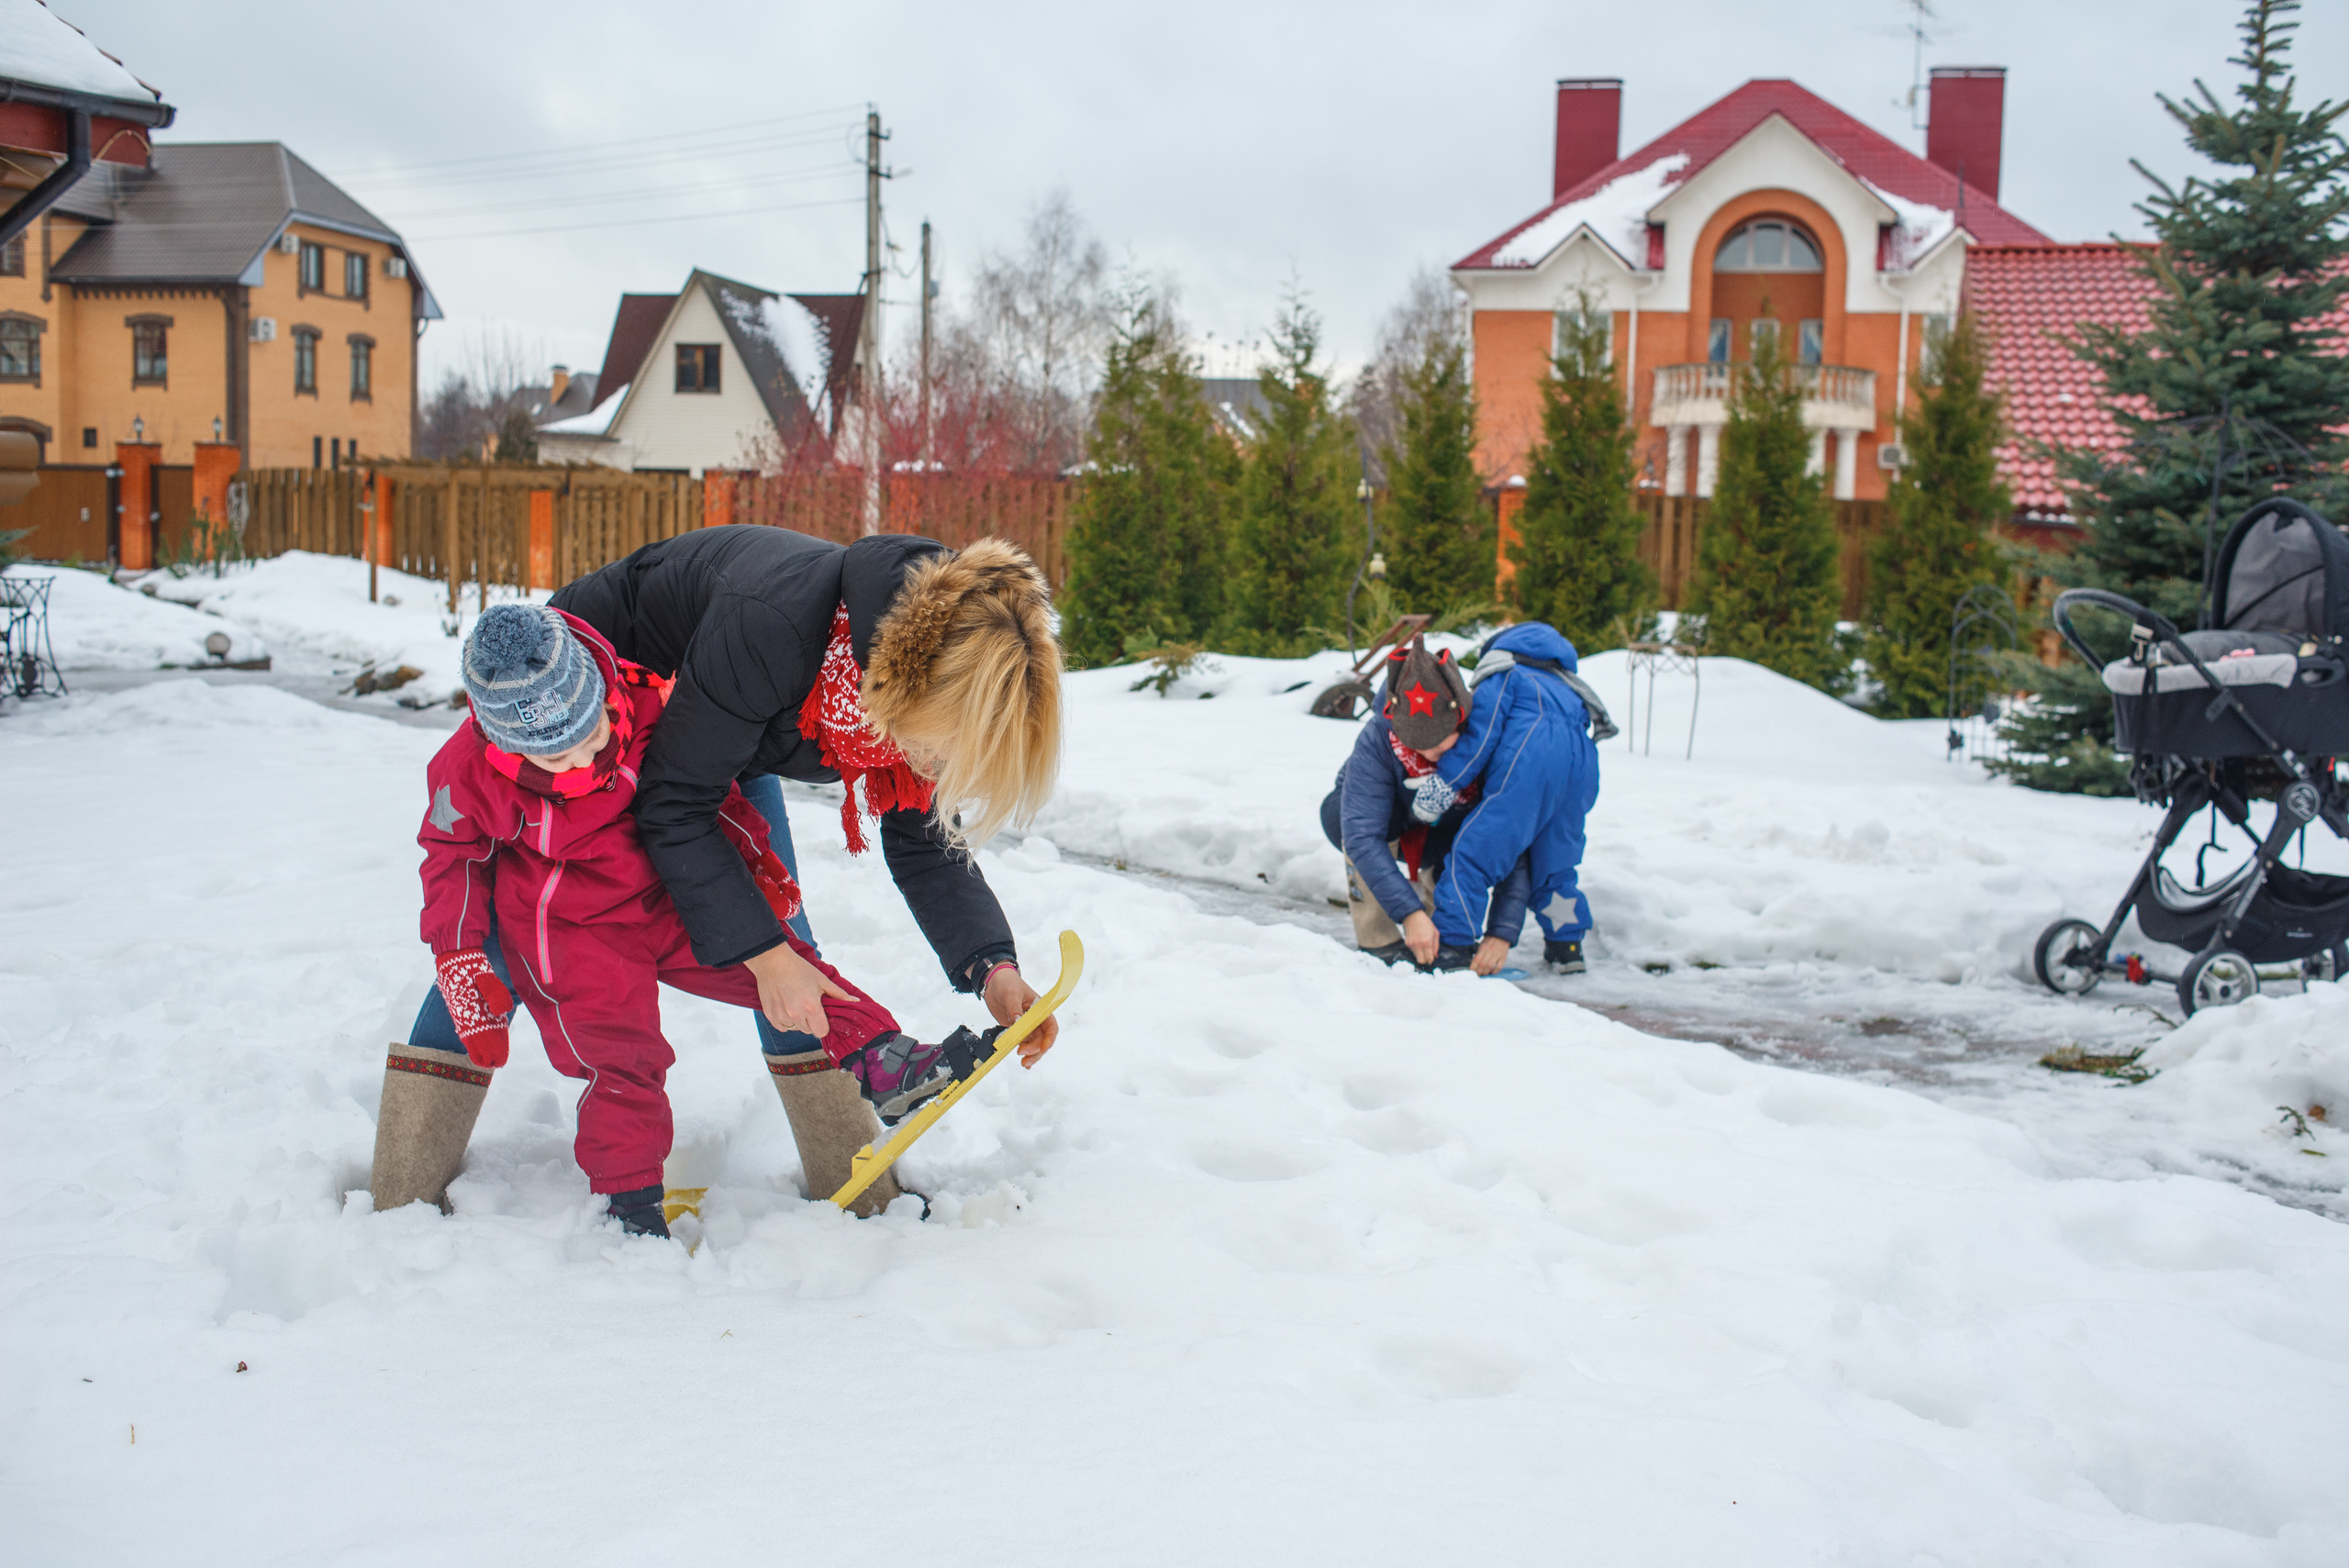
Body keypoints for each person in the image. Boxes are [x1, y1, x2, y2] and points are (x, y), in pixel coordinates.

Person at [371, 528, 1062, 1219]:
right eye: (942, 753)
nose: (941, 770)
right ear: (911, 699)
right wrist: (760, 954)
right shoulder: (776, 628)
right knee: (512, 934)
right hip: (582, 717)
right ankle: (405, 1183)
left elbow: (923, 837)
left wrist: (991, 968)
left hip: (713, 735)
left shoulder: (918, 668)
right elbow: (675, 806)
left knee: (784, 941)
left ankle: (854, 1178)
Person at [1319, 636, 1532, 973]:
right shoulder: (1377, 738)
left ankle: (1443, 932)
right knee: (1369, 822)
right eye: (1417, 747)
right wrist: (1408, 912)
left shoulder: (1489, 745)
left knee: (1474, 833)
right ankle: (1379, 942)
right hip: (1376, 820)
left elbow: (1512, 839)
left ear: (1462, 723)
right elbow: (1362, 834)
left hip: (1442, 825)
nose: (1430, 756)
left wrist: (1501, 934)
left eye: (1441, 747)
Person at [1408, 621, 1603, 974]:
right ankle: (1566, 945)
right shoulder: (1569, 688)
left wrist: (1444, 785)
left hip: (1528, 768)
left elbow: (1481, 737)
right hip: (1580, 775)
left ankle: (1454, 945)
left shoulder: (1506, 674)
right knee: (1555, 866)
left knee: (1473, 853)